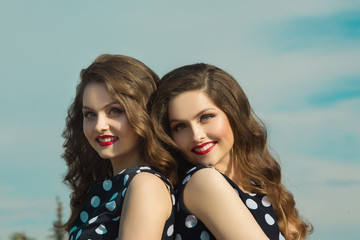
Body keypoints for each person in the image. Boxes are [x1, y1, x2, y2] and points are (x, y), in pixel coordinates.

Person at [150, 63, 313, 240]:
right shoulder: (203, 180)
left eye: (206, 117)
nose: (197, 135)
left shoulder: (259, 186)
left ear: (233, 113)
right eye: (180, 126)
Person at [62, 54, 177, 239]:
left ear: (143, 113)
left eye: (114, 111)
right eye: (90, 114)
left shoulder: (145, 185)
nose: (100, 126)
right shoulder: (109, 190)